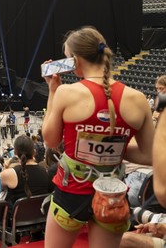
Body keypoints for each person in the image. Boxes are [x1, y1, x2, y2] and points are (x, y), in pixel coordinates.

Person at [42, 26, 155, 248]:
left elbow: (51, 140)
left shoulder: (67, 93)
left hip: (71, 191)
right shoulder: (138, 98)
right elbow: (150, 154)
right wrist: (114, 148)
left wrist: (53, 90)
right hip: (111, 195)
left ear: (75, 60)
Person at [0, 135, 50, 205]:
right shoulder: (45, 171)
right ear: (34, 152)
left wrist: (5, 167)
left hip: (16, 215)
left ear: (15, 153)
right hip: (41, 214)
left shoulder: (8, 174)